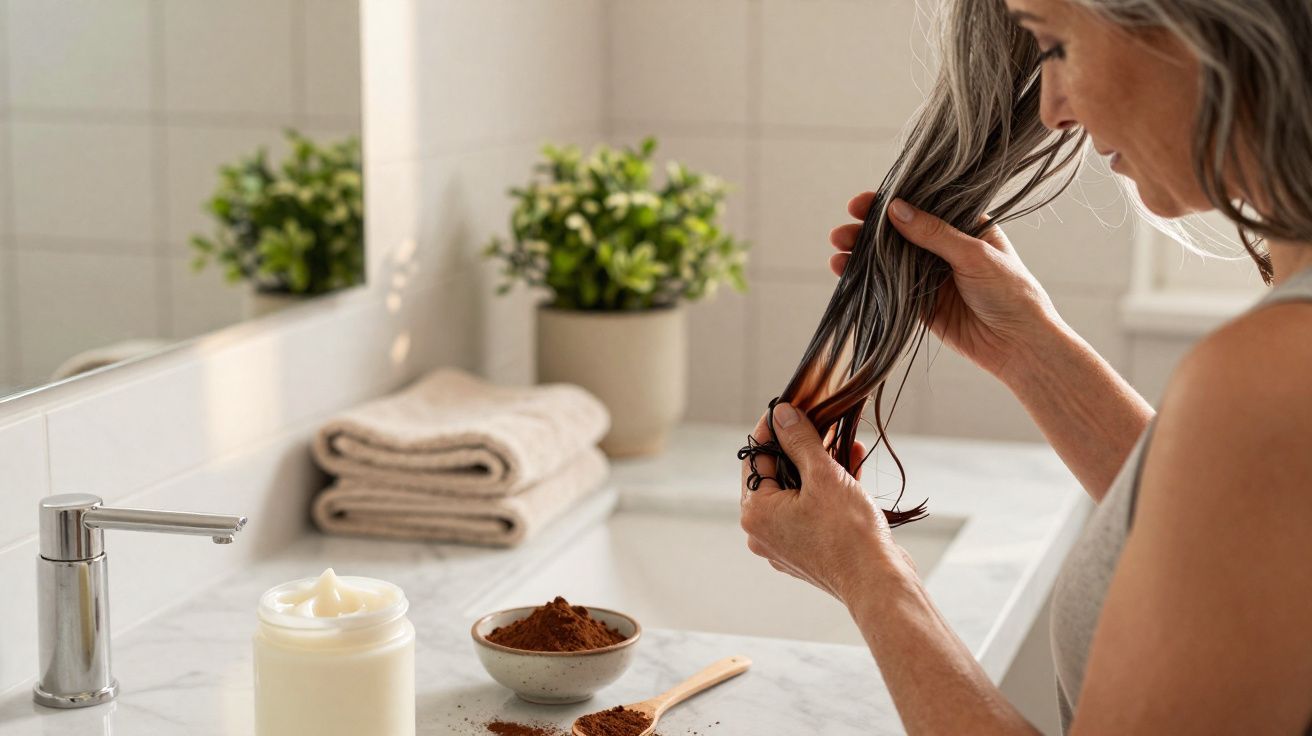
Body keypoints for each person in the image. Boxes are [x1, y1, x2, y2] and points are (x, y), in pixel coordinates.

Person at [738, 0, 1312, 733]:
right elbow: (1242, 535)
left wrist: (870, 577)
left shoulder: (1273, 373)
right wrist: (1029, 349)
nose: (1052, 107)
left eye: (1057, 43)